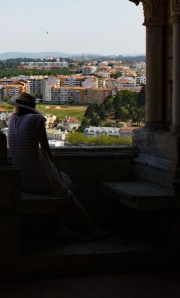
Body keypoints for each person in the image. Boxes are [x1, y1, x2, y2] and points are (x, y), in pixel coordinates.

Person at [7, 92, 107, 240]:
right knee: (66, 193)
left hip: (21, 179)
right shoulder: (37, 119)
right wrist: (53, 168)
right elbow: (45, 148)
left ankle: (62, 227)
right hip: (36, 179)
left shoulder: (12, 120)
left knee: (61, 189)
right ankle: (91, 229)